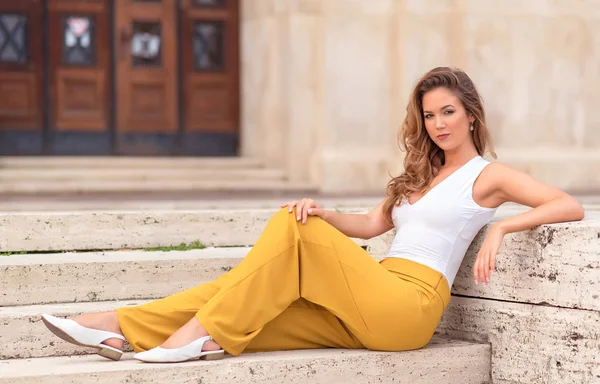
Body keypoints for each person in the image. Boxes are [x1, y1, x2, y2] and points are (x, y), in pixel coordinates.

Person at [40, 67, 585, 363]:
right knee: (260, 302)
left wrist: (502, 224)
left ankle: (189, 336)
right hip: (372, 294)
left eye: (449, 112)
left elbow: (569, 204)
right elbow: (373, 226)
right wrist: (323, 213)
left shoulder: (487, 174)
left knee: (288, 230)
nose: (440, 124)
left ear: (470, 115)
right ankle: (122, 328)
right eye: (430, 115)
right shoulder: (421, 175)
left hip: (409, 309)